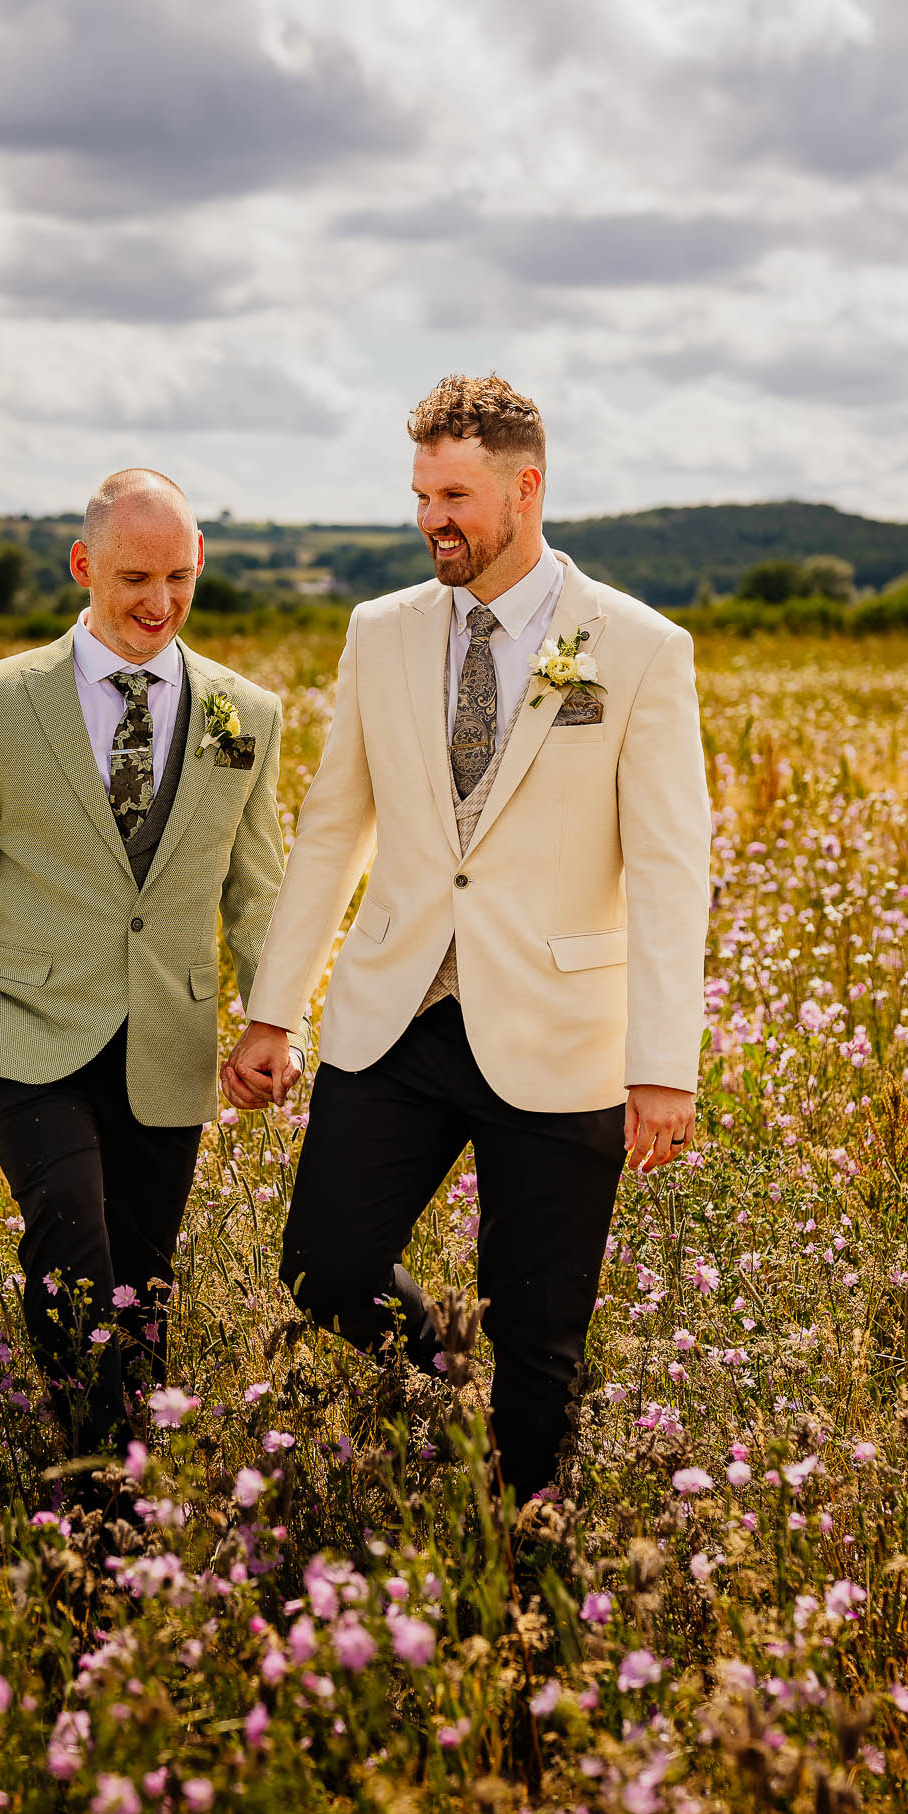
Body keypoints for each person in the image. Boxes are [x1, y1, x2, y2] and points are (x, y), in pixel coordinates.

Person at [224, 374, 711, 1505]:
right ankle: (446, 1367)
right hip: (397, 1012)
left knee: (541, 1339)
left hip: (558, 1032)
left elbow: (671, 866)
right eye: (419, 495)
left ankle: (522, 1574)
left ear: (523, 488)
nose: (430, 518)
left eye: (453, 495)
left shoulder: (638, 647)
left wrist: (660, 1067)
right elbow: (334, 826)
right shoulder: (379, 631)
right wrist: (272, 1010)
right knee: (323, 1263)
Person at [0, 469, 304, 1461]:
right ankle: (97, 1485)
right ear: (84, 564)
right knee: (73, 1252)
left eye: (178, 577)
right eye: (134, 576)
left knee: (140, 1283)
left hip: (167, 1040)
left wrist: (273, 1016)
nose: (158, 602)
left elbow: (256, 886)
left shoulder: (243, 712)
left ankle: (128, 1484)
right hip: (25, 1031)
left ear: (200, 563)